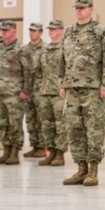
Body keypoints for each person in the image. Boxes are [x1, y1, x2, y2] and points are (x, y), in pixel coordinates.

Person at [62, 0, 105, 187]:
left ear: (91, 9)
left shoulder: (100, 32)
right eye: (76, 7)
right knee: (74, 129)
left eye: (83, 8)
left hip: (93, 89)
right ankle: (80, 169)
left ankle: (93, 171)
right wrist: (63, 83)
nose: (79, 10)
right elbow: (63, 60)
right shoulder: (68, 32)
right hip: (71, 89)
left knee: (93, 129)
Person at [0, 21, 32, 165]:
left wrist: (26, 90)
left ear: (14, 31)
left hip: (15, 94)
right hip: (0, 94)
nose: (4, 33)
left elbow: (28, 71)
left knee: (15, 124)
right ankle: (6, 150)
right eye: (3, 30)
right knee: (2, 123)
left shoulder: (22, 49)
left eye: (7, 30)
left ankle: (14, 152)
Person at [35, 20, 67, 166]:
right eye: (50, 29)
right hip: (45, 92)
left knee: (60, 125)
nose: (51, 31)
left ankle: (60, 155)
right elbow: (39, 72)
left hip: (59, 93)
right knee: (46, 125)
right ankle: (51, 153)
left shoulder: (66, 48)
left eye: (54, 29)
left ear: (61, 30)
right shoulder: (44, 50)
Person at [20, 23, 46, 158]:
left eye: (34, 31)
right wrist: (23, 89)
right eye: (30, 31)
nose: (32, 33)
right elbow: (21, 71)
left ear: (41, 33)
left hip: (40, 90)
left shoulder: (46, 49)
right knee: (30, 119)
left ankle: (42, 146)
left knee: (40, 119)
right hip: (27, 90)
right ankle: (34, 145)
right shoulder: (24, 50)